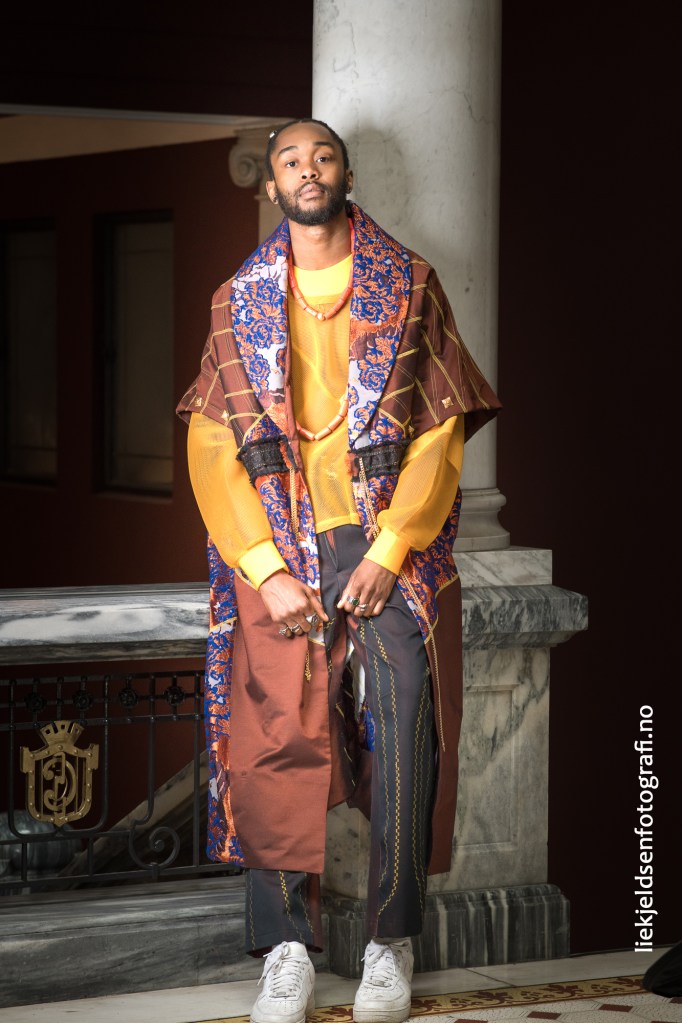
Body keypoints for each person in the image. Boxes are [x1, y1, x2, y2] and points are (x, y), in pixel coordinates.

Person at [177, 118, 501, 1023]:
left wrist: (393, 548)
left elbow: (440, 428)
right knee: (274, 732)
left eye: (322, 156)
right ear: (270, 185)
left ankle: (390, 943)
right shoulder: (236, 300)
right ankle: (286, 949)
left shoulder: (410, 284)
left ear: (346, 174)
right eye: (290, 160)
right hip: (279, 543)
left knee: (405, 726)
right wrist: (263, 566)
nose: (307, 170)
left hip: (383, 535)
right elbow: (211, 447)